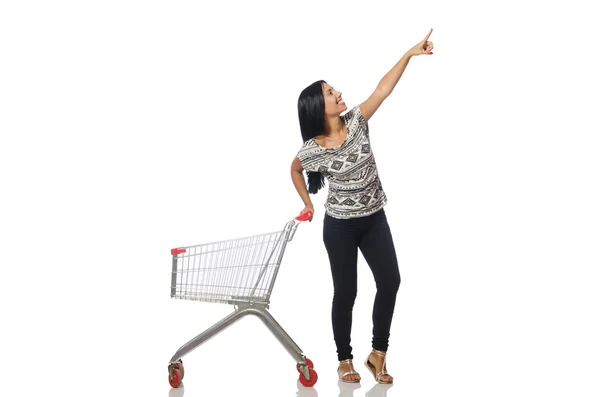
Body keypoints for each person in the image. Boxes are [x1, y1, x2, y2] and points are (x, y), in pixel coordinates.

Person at [290, 29, 434, 384]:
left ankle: (377, 354)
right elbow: (294, 169)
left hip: (374, 220)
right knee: (347, 292)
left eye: (334, 89)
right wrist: (307, 203)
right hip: (339, 227)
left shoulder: (356, 122)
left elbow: (382, 89)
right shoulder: (312, 149)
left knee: (390, 280)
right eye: (330, 92)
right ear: (317, 107)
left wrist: (409, 54)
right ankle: (344, 359)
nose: (338, 93)